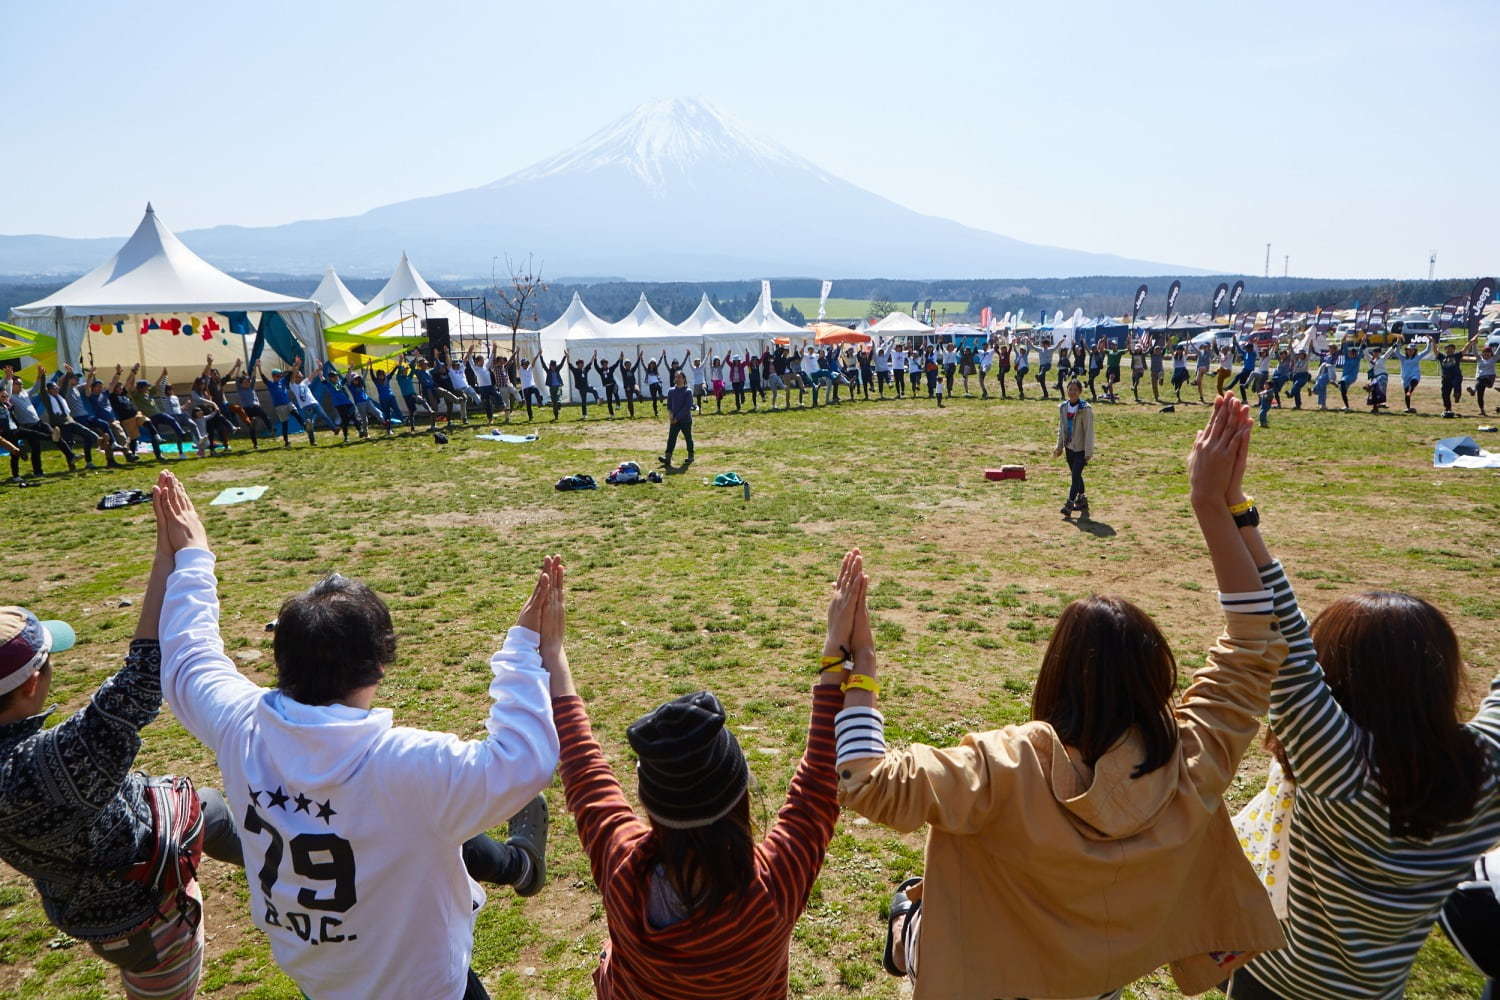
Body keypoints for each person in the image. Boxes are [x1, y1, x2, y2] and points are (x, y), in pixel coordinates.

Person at [842, 396, 1287, 1000]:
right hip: (1095, 982)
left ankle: (904, 930)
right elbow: (1256, 642)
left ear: (1055, 673)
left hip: (991, 978)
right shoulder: (1192, 762)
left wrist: (853, 668)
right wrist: (1219, 505)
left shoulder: (1010, 767)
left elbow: (865, 783)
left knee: (916, 916)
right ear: (1156, 675)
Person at [151, 470, 559, 1000]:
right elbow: (525, 760)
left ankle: (516, 864)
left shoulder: (240, 723)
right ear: (380, 665)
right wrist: (524, 648)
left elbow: (187, 659)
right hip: (426, 987)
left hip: (320, 977)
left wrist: (193, 557)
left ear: (282, 660)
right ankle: (519, 865)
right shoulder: (406, 763)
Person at [550, 550, 846, 1000]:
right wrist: (841, 652)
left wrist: (551, 652)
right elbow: (822, 780)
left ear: (651, 803)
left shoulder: (623, 870)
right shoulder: (773, 888)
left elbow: (582, 769)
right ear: (740, 794)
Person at [1224, 539, 1500, 998]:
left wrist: (1229, 510)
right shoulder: (1487, 768)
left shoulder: (1337, 769)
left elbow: (1282, 639)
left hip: (1274, 980)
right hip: (1375, 989)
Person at [0, 572, 242, 999]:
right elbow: (141, 679)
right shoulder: (45, 766)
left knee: (211, 809)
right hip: (148, 910)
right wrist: (169, 557)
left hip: (89, 903)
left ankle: (280, 868)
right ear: (33, 682)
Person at [1053, 378, 1095, 518]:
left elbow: (1089, 431)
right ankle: (1082, 499)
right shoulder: (1064, 407)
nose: (1072, 392)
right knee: (1076, 476)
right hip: (1069, 448)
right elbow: (1062, 428)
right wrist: (1059, 447)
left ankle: (1069, 504)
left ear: (1080, 392)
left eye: (1075, 390)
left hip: (1081, 449)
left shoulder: (1085, 409)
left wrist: (1088, 451)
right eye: (1070, 390)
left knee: (1075, 476)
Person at [660, 370, 695, 467]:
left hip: (685, 420)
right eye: (676, 377)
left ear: (684, 379)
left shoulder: (688, 391)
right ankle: (667, 457)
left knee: (688, 438)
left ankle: (691, 455)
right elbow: (669, 405)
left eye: (679, 377)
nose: (678, 379)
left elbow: (687, 407)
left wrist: (677, 418)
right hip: (674, 420)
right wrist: (671, 416)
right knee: (671, 439)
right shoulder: (671, 391)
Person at [1439, 333, 1479, 416]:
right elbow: (1435, 351)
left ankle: (1457, 395)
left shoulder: (1457, 356)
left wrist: (1471, 341)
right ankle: (1448, 408)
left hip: (1456, 376)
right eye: (1447, 349)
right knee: (1444, 394)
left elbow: (1465, 348)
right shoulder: (1442, 357)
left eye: (1451, 349)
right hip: (1446, 378)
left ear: (1454, 350)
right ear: (1445, 350)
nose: (1449, 350)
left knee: (1456, 384)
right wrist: (1432, 342)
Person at [1469, 341, 1496, 416]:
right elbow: (1475, 352)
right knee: (1480, 396)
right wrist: (1474, 343)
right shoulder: (1479, 359)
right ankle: (1482, 411)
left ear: (1491, 354)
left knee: (1481, 381)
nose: (1486, 354)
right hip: (1480, 379)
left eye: (1488, 353)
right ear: (1482, 353)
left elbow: (1498, 351)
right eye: (1485, 353)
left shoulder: (1493, 359)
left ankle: (1473, 391)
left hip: (1489, 379)